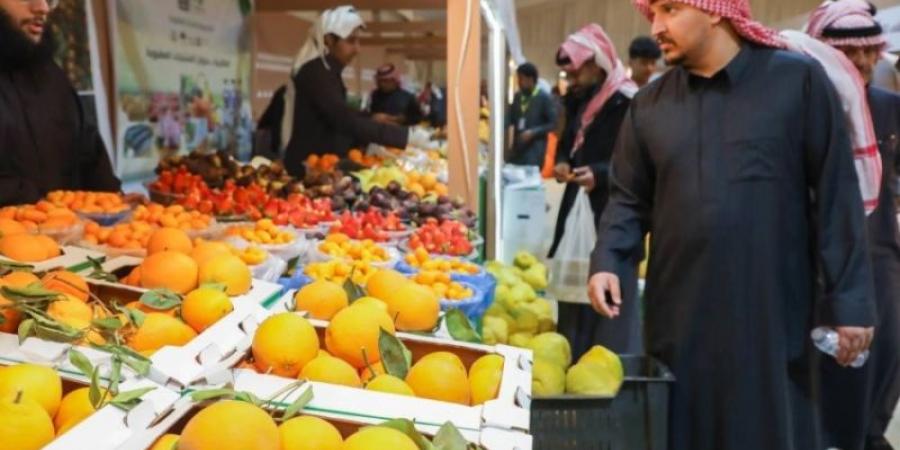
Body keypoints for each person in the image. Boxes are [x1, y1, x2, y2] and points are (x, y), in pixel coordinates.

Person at [587, 1, 880, 449]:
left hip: (772, 320)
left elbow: (836, 195)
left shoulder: (795, 83)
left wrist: (851, 302)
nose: (657, 26)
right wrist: (609, 258)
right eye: (653, 14)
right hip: (678, 321)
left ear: (715, 10)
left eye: (670, 9)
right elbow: (628, 199)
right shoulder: (649, 105)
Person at [807, 3, 900, 449]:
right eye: (849, 51)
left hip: (880, 258)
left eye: (869, 51)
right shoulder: (802, 106)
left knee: (883, 362)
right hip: (814, 264)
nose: (861, 63)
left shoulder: (890, 109)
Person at [546, 24, 639, 358]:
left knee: (606, 296)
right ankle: (571, 356)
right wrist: (561, 162)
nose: (573, 76)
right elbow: (569, 142)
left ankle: (601, 365)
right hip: (577, 206)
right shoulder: (580, 101)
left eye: (578, 68)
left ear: (597, 64)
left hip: (611, 211)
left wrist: (600, 174)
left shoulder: (627, 103)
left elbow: (637, 162)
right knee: (572, 295)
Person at [0, 0, 120, 206]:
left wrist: (114, 200)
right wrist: (45, 205)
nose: (42, 8)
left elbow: (88, 151)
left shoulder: (50, 74)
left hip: (67, 231)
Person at [281, 6, 420, 178]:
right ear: (329, 40)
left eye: (358, 41)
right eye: (351, 41)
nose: (357, 49)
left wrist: (371, 118)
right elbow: (342, 119)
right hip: (308, 169)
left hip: (324, 164)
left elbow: (339, 112)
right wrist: (405, 137)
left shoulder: (327, 71)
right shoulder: (316, 73)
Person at [506, 63, 557, 167]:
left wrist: (533, 132)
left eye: (521, 79)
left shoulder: (544, 98)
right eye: (518, 79)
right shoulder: (517, 97)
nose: (519, 82)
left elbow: (553, 124)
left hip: (535, 151)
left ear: (531, 79)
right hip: (518, 149)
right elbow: (510, 118)